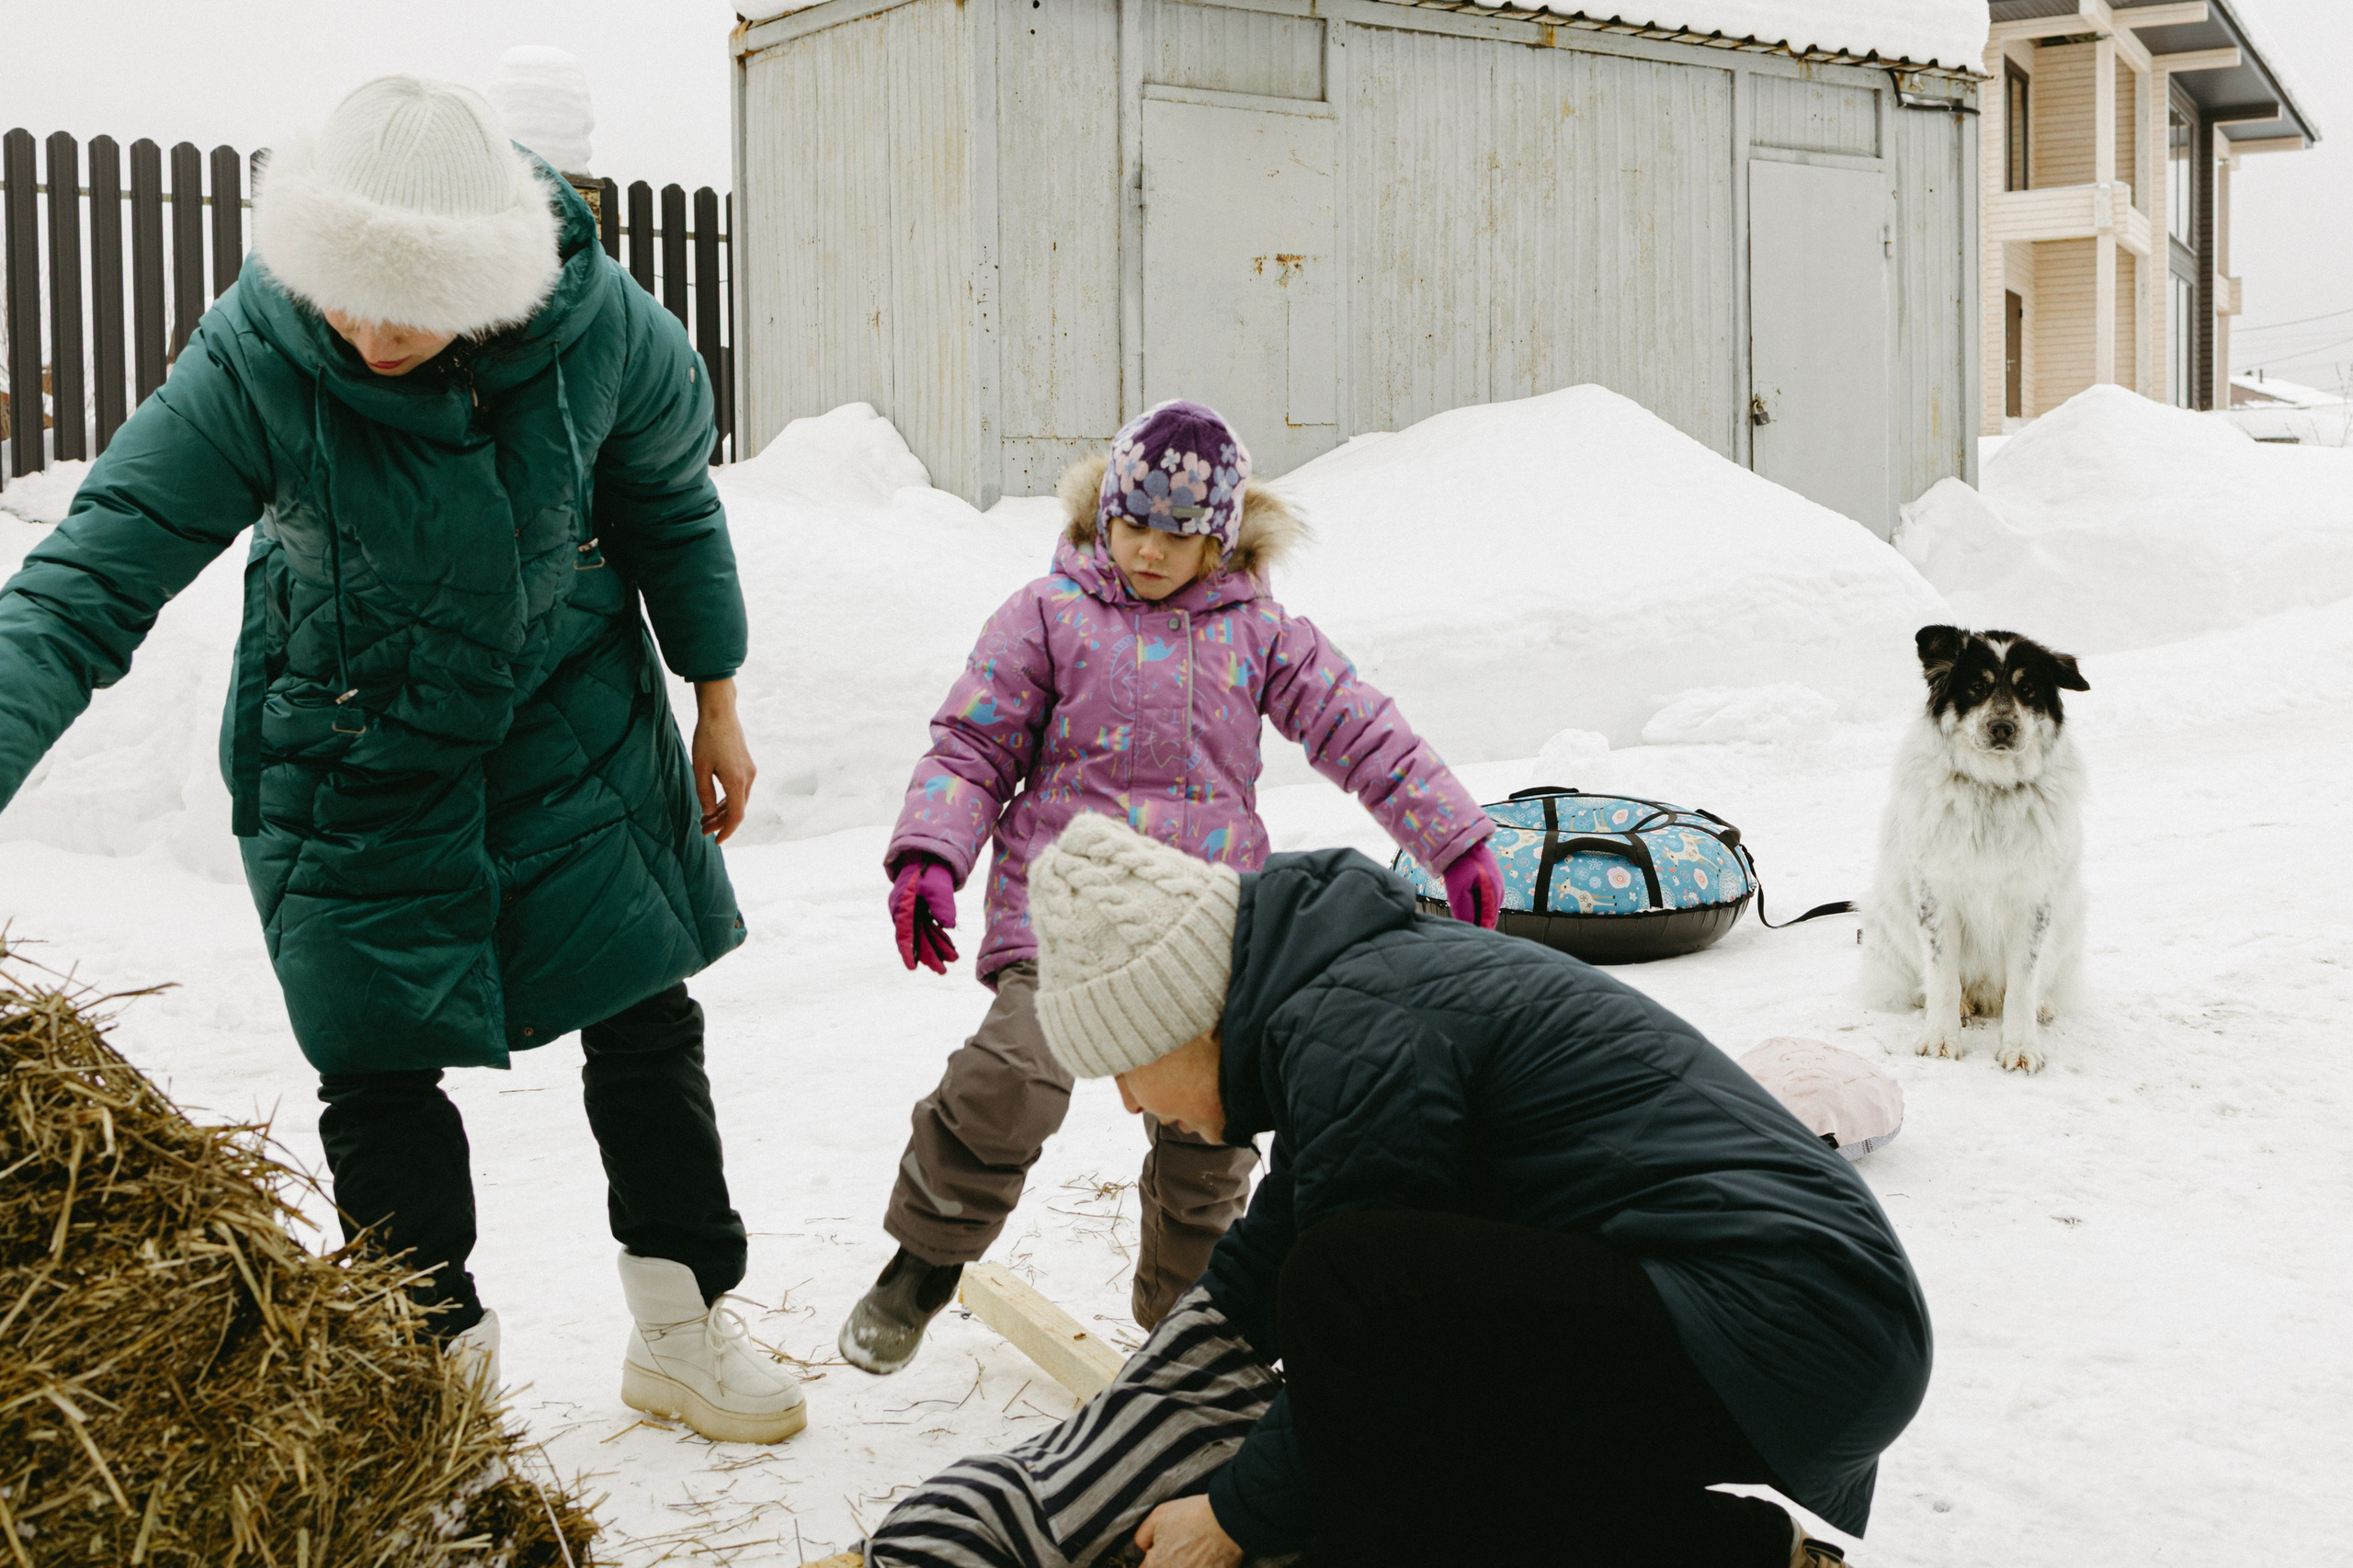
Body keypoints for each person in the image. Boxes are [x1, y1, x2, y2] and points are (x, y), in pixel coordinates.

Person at [0, 77, 802, 1443]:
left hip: (569, 710)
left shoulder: (608, 333)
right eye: (347, 291)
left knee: (644, 1008)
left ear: (491, 277)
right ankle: (429, 1369)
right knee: (374, 1058)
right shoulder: (259, 350)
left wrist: (713, 689)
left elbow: (669, 501)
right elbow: (93, 574)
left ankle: (681, 1324)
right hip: (347, 729)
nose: (370, 330)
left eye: (411, 297)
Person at [863, 813, 1931, 1568]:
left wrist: (1231, 1512)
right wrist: (1114, 1430)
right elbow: (1263, 1264)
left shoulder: (1358, 1027)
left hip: (1783, 1315)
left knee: (1355, 1363)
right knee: (1372, 1452)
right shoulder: (1347, 1004)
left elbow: (1352, 1295)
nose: (1137, 1105)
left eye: (1129, 1072)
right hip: (1801, 1327)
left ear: (1183, 1021)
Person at [838, 401, 1506, 1375]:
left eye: (1179, 532)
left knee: (1211, 1132)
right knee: (1009, 1078)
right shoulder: (1047, 613)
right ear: (1102, 512)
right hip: (1066, 913)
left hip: (1203, 920)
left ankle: (1189, 1328)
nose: (1149, 549)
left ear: (1221, 538)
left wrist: (1453, 838)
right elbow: (973, 744)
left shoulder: (1261, 632)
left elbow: (1362, 731)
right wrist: (931, 856)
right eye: (1133, 522)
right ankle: (924, 1261)